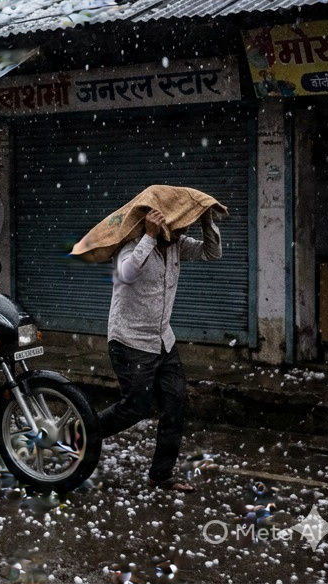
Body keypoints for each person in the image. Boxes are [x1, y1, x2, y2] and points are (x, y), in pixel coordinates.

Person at [99, 207, 221, 493]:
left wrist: (206, 221)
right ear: (160, 225)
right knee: (135, 408)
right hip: (130, 341)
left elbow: (211, 253)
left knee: (175, 404)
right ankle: (81, 435)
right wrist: (149, 237)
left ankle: (161, 474)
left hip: (163, 340)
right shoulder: (131, 247)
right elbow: (124, 275)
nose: (182, 232)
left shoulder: (178, 247)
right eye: (177, 227)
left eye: (185, 227)